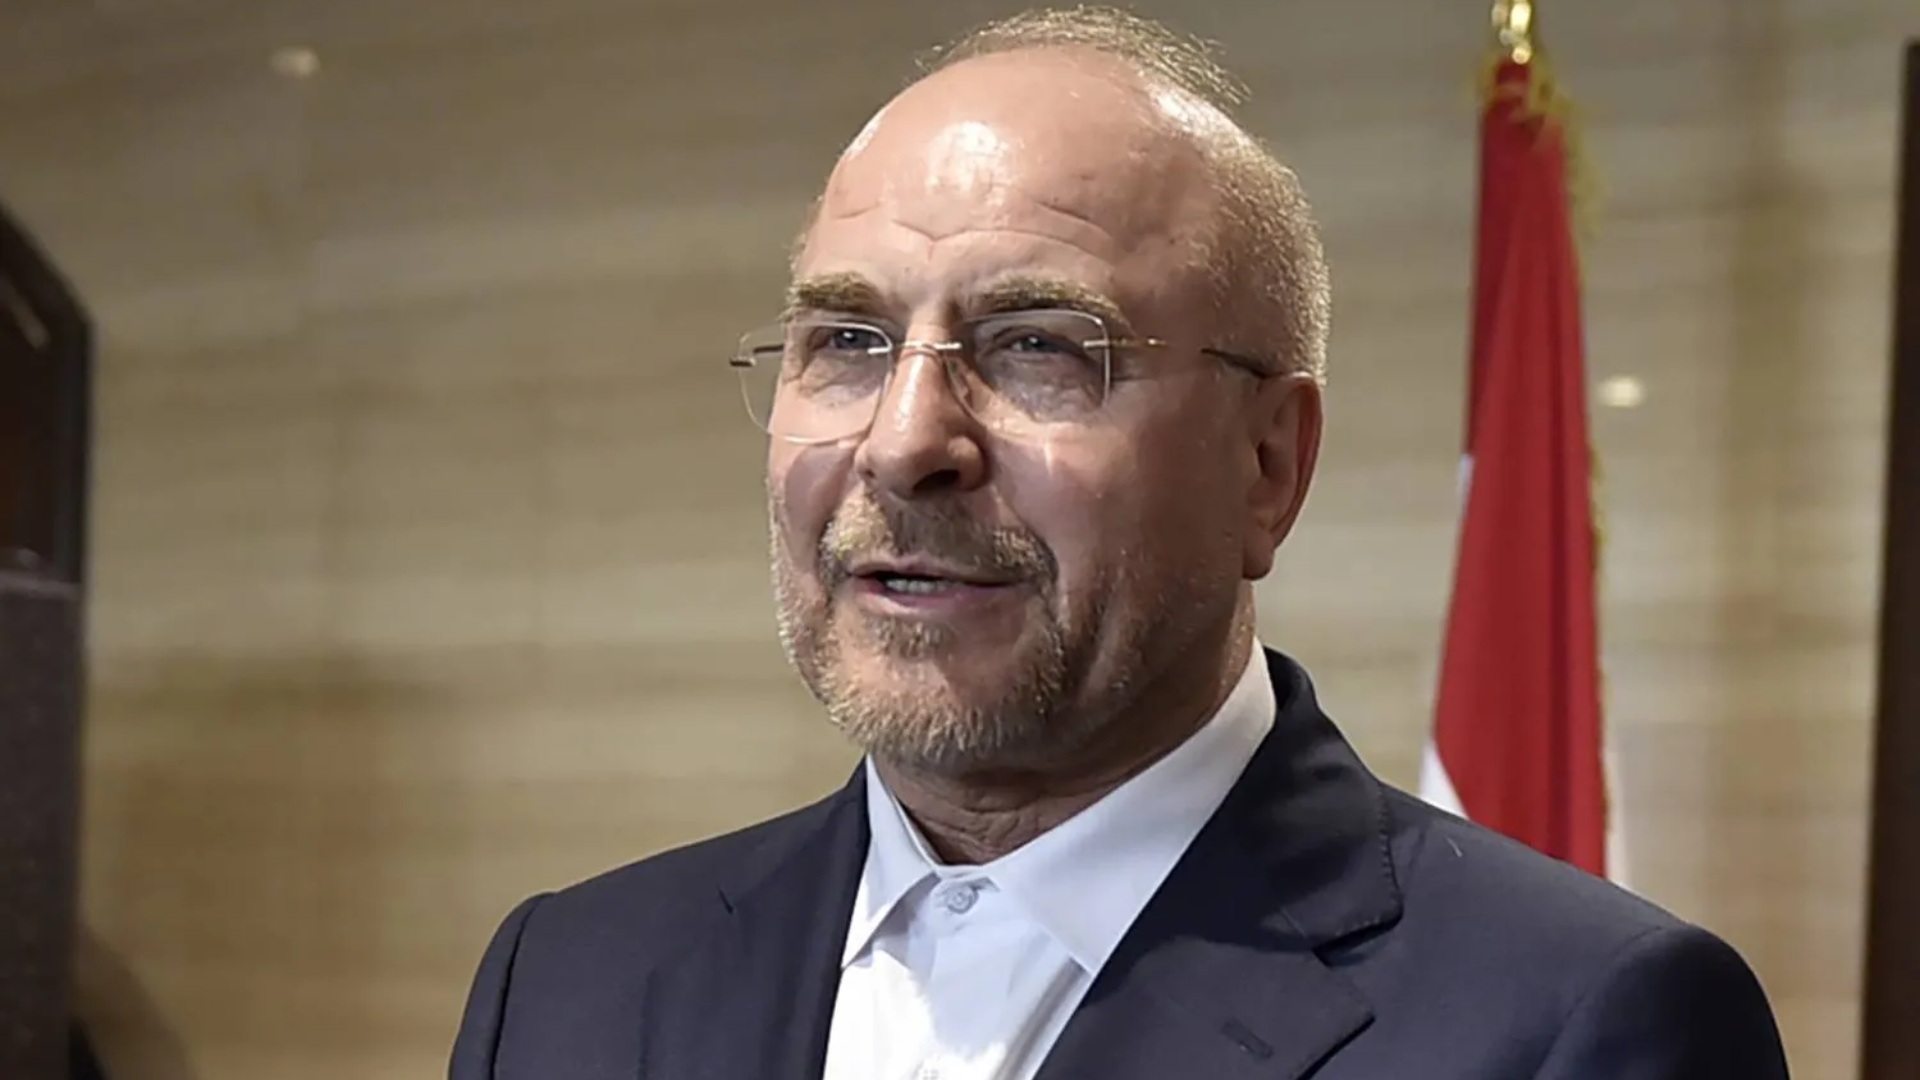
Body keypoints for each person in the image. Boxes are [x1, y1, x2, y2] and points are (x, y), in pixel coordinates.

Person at [449, 8, 1791, 1079]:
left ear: (1269, 466)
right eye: (848, 341)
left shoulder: (1578, 1025)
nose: (906, 442)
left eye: (1040, 346)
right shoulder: (564, 983)